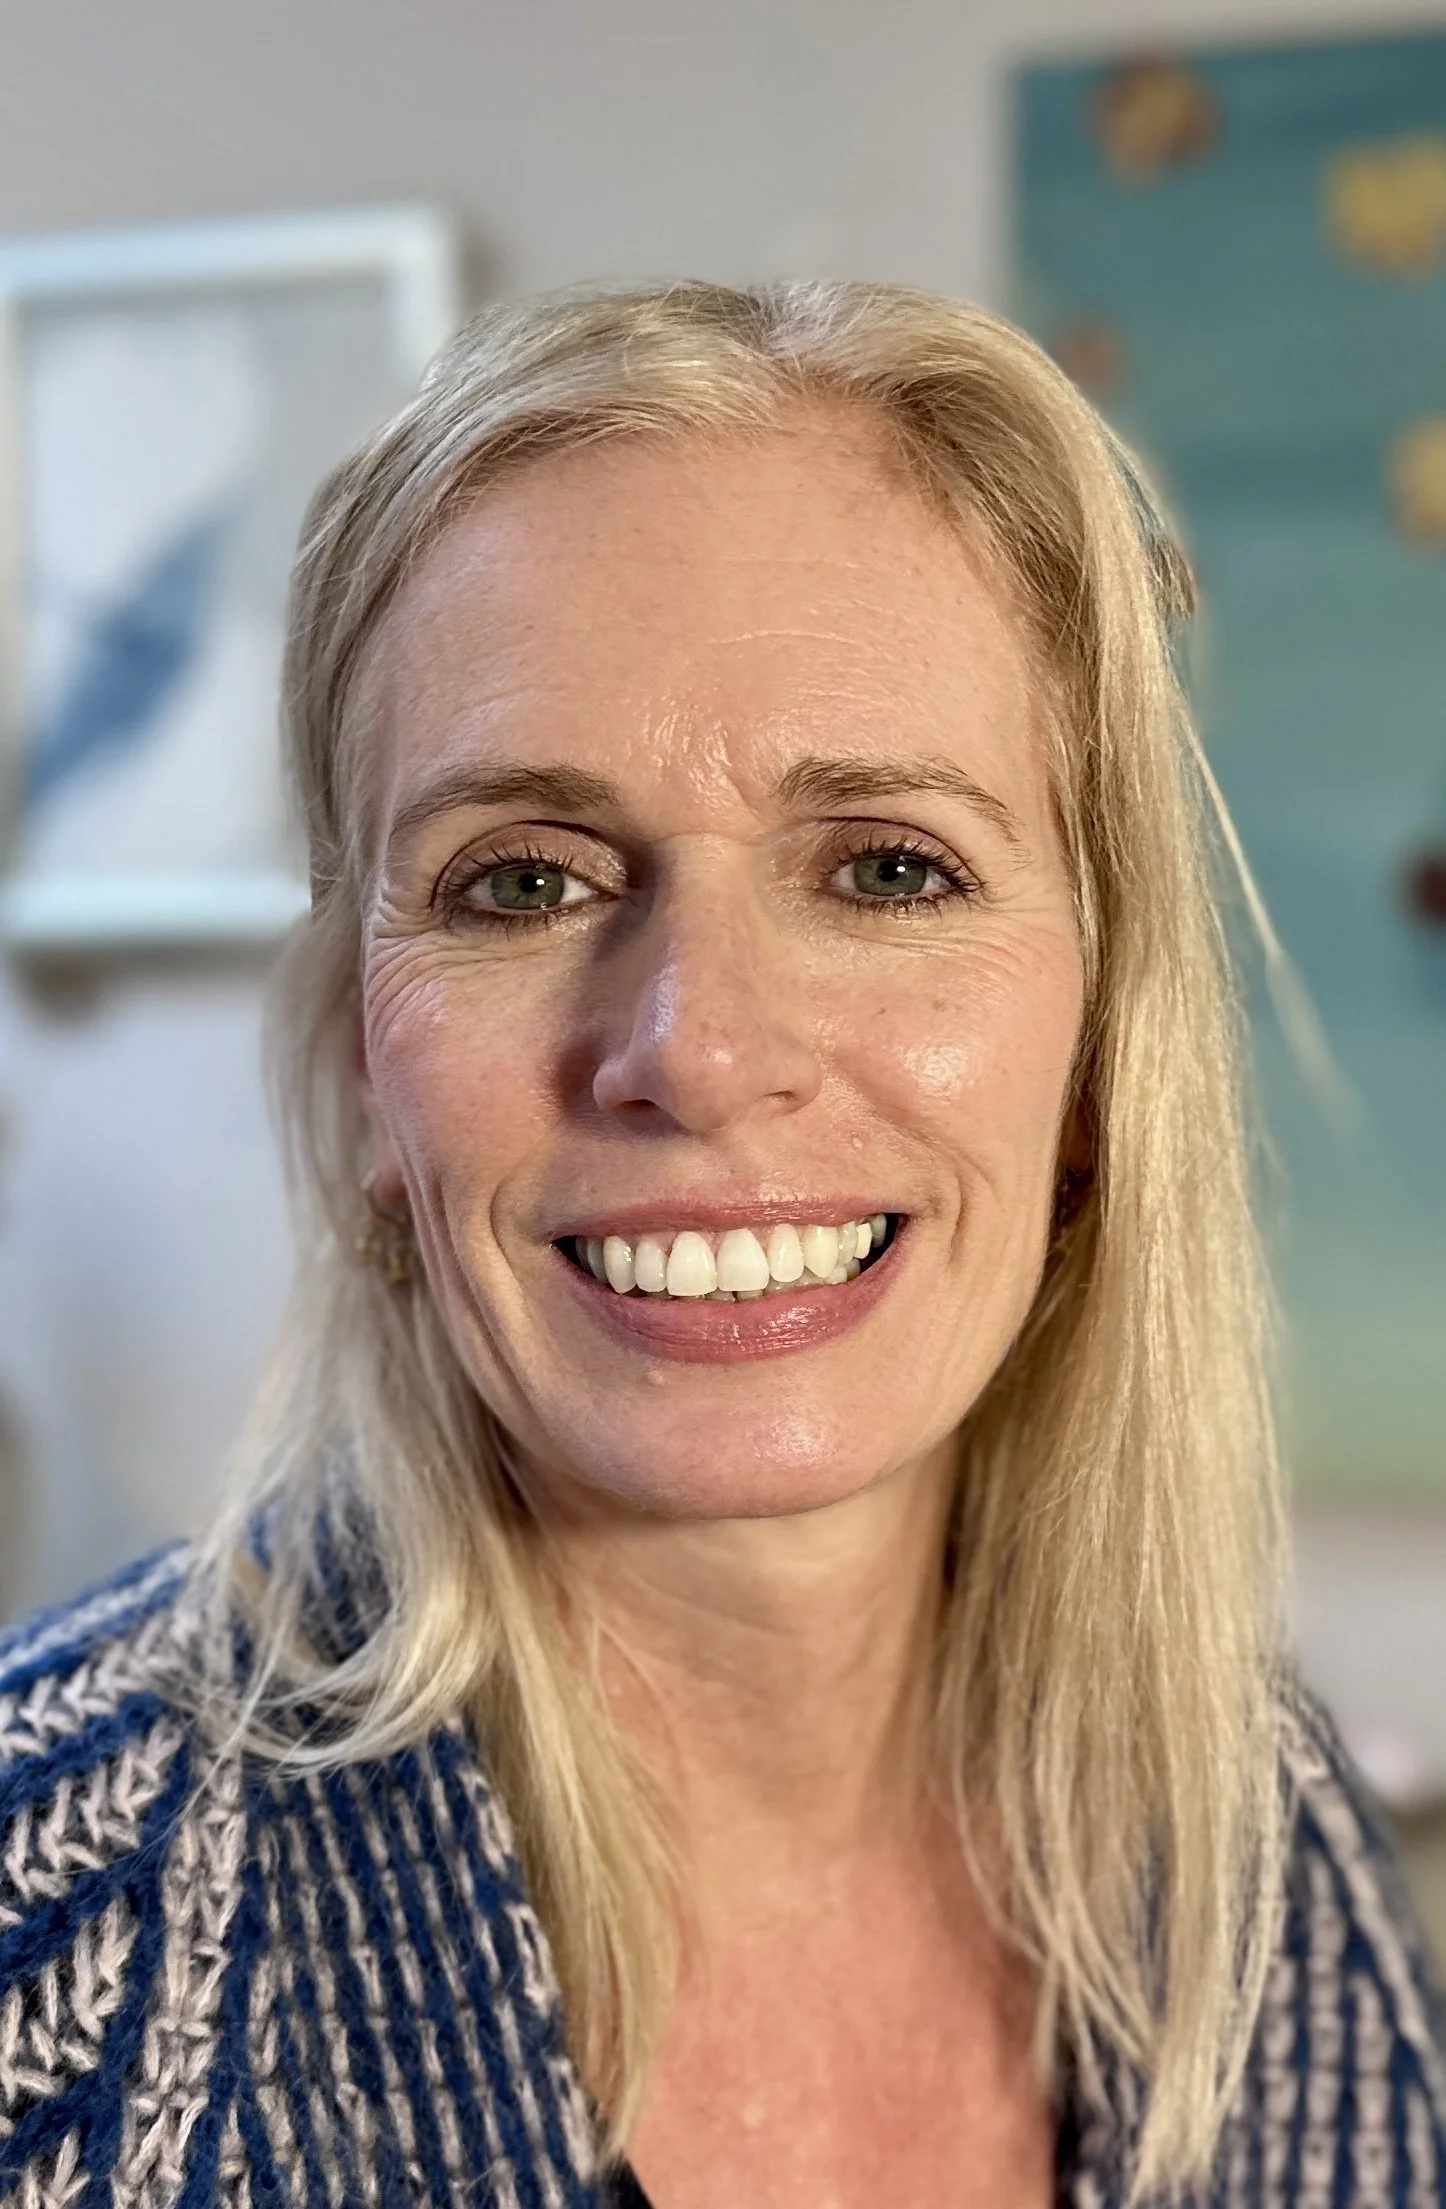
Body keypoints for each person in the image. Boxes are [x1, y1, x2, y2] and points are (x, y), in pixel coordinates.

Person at [0, 280, 1442, 2209]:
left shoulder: (1262, 1839)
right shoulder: (54, 1956)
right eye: (520, 881)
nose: (698, 1051)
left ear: (1099, 1053)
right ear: (364, 1073)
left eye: (885, 868)